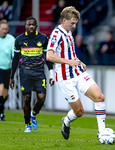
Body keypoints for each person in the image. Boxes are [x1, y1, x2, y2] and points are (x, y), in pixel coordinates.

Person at [46, 6, 106, 140]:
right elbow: (49, 56)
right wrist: (68, 62)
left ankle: (101, 132)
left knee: (100, 97)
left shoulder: (68, 32)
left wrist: (79, 61)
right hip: (64, 78)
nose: (74, 26)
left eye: (75, 23)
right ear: (63, 20)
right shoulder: (56, 34)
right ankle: (66, 121)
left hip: (77, 72)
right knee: (79, 111)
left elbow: (71, 54)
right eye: (72, 23)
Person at [9, 17, 54, 132]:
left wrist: (51, 73)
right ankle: (27, 124)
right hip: (25, 73)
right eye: (29, 24)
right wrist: (11, 77)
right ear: (25, 26)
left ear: (36, 26)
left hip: (39, 73)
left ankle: (33, 114)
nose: (31, 26)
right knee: (27, 98)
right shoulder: (19, 39)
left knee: (41, 97)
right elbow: (15, 59)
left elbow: (47, 58)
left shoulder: (43, 38)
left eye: (33, 24)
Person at [0, 19, 15, 121]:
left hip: (7, 69)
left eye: (6, 29)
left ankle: (1, 110)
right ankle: (1, 112)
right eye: (2, 29)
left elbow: (14, 55)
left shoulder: (11, 39)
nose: (4, 31)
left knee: (5, 93)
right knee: (0, 90)